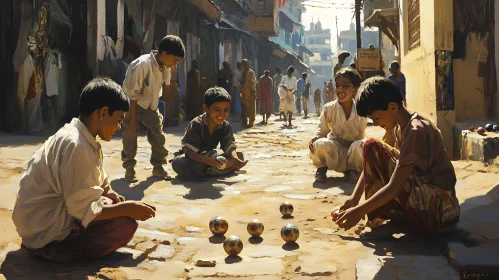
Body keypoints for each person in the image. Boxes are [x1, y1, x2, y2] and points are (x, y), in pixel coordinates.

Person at [12, 78, 157, 262]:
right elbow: (84, 211)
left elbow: (98, 180)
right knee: (124, 225)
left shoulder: (79, 136)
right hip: (45, 227)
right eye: (119, 120)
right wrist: (126, 208)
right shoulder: (77, 146)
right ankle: (56, 248)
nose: (119, 127)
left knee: (109, 203)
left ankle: (47, 242)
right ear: (104, 113)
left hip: (37, 220)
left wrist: (110, 192)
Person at [334, 77, 460, 239]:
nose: (376, 123)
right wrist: (354, 199)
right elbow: (373, 161)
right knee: (371, 148)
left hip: (438, 211)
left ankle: (384, 219)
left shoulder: (416, 131)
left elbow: (395, 186)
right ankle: (385, 218)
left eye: (377, 118)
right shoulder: (399, 126)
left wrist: (359, 211)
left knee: (372, 145)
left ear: (392, 107)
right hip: (425, 202)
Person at [121, 35, 185, 182]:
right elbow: (133, 94)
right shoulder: (143, 64)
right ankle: (129, 169)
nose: (175, 64)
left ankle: (158, 168)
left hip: (151, 106)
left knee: (158, 137)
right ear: (164, 54)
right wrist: (132, 121)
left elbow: (163, 88)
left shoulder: (164, 67)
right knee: (130, 137)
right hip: (133, 105)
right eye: (174, 60)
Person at [172, 87, 248, 179]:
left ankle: (212, 170)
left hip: (211, 156)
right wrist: (209, 161)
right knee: (178, 162)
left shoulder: (225, 126)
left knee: (239, 155)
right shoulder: (197, 123)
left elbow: (229, 144)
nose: (222, 114)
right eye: (217, 110)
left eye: (226, 110)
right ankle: (214, 170)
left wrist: (235, 158)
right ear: (206, 108)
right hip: (196, 159)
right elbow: (189, 153)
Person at [309, 68, 366, 183]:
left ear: (355, 89)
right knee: (320, 143)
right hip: (334, 148)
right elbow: (322, 131)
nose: (340, 89)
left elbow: (360, 135)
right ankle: (322, 168)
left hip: (352, 150)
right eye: (338, 85)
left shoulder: (361, 111)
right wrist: (316, 138)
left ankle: (352, 170)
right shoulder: (328, 108)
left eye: (346, 86)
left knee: (361, 145)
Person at [240, 59, 257, 128]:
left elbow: (254, 82)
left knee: (251, 108)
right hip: (244, 93)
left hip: (250, 93)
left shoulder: (251, 72)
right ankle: (244, 121)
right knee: (244, 108)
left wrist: (253, 93)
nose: (242, 66)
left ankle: (251, 122)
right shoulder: (243, 72)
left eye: (244, 65)